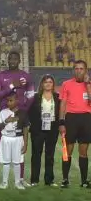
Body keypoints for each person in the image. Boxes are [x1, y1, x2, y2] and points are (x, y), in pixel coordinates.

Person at [0, 51, 35, 187]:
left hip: (20, 116)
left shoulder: (26, 76)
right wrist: (12, 86)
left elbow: (31, 95)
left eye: (15, 58)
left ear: (19, 60)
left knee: (20, 146)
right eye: (10, 58)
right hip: (3, 114)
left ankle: (20, 178)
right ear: (7, 60)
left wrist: (23, 110)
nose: (12, 61)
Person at [58, 60, 91, 188]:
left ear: (86, 70)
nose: (79, 71)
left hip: (86, 118)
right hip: (71, 118)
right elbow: (62, 104)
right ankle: (65, 179)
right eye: (76, 68)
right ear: (73, 70)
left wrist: (88, 85)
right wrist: (61, 122)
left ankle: (84, 181)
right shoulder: (66, 84)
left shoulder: (89, 84)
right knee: (68, 150)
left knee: (83, 151)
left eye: (81, 69)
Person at [28, 75, 60, 186]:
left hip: (52, 129)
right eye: (46, 82)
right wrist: (32, 124)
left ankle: (49, 180)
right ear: (42, 84)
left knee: (50, 155)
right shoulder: (35, 97)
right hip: (38, 129)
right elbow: (29, 112)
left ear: (53, 84)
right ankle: (34, 180)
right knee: (36, 154)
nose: (48, 84)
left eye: (50, 82)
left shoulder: (57, 97)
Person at [0, 91, 29, 190]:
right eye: (7, 101)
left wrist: (25, 144)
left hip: (18, 139)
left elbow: (25, 129)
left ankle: (17, 182)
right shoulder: (3, 112)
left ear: (17, 100)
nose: (8, 103)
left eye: (11, 100)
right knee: (6, 161)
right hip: (6, 138)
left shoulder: (23, 113)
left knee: (17, 161)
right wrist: (6, 121)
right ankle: (4, 182)